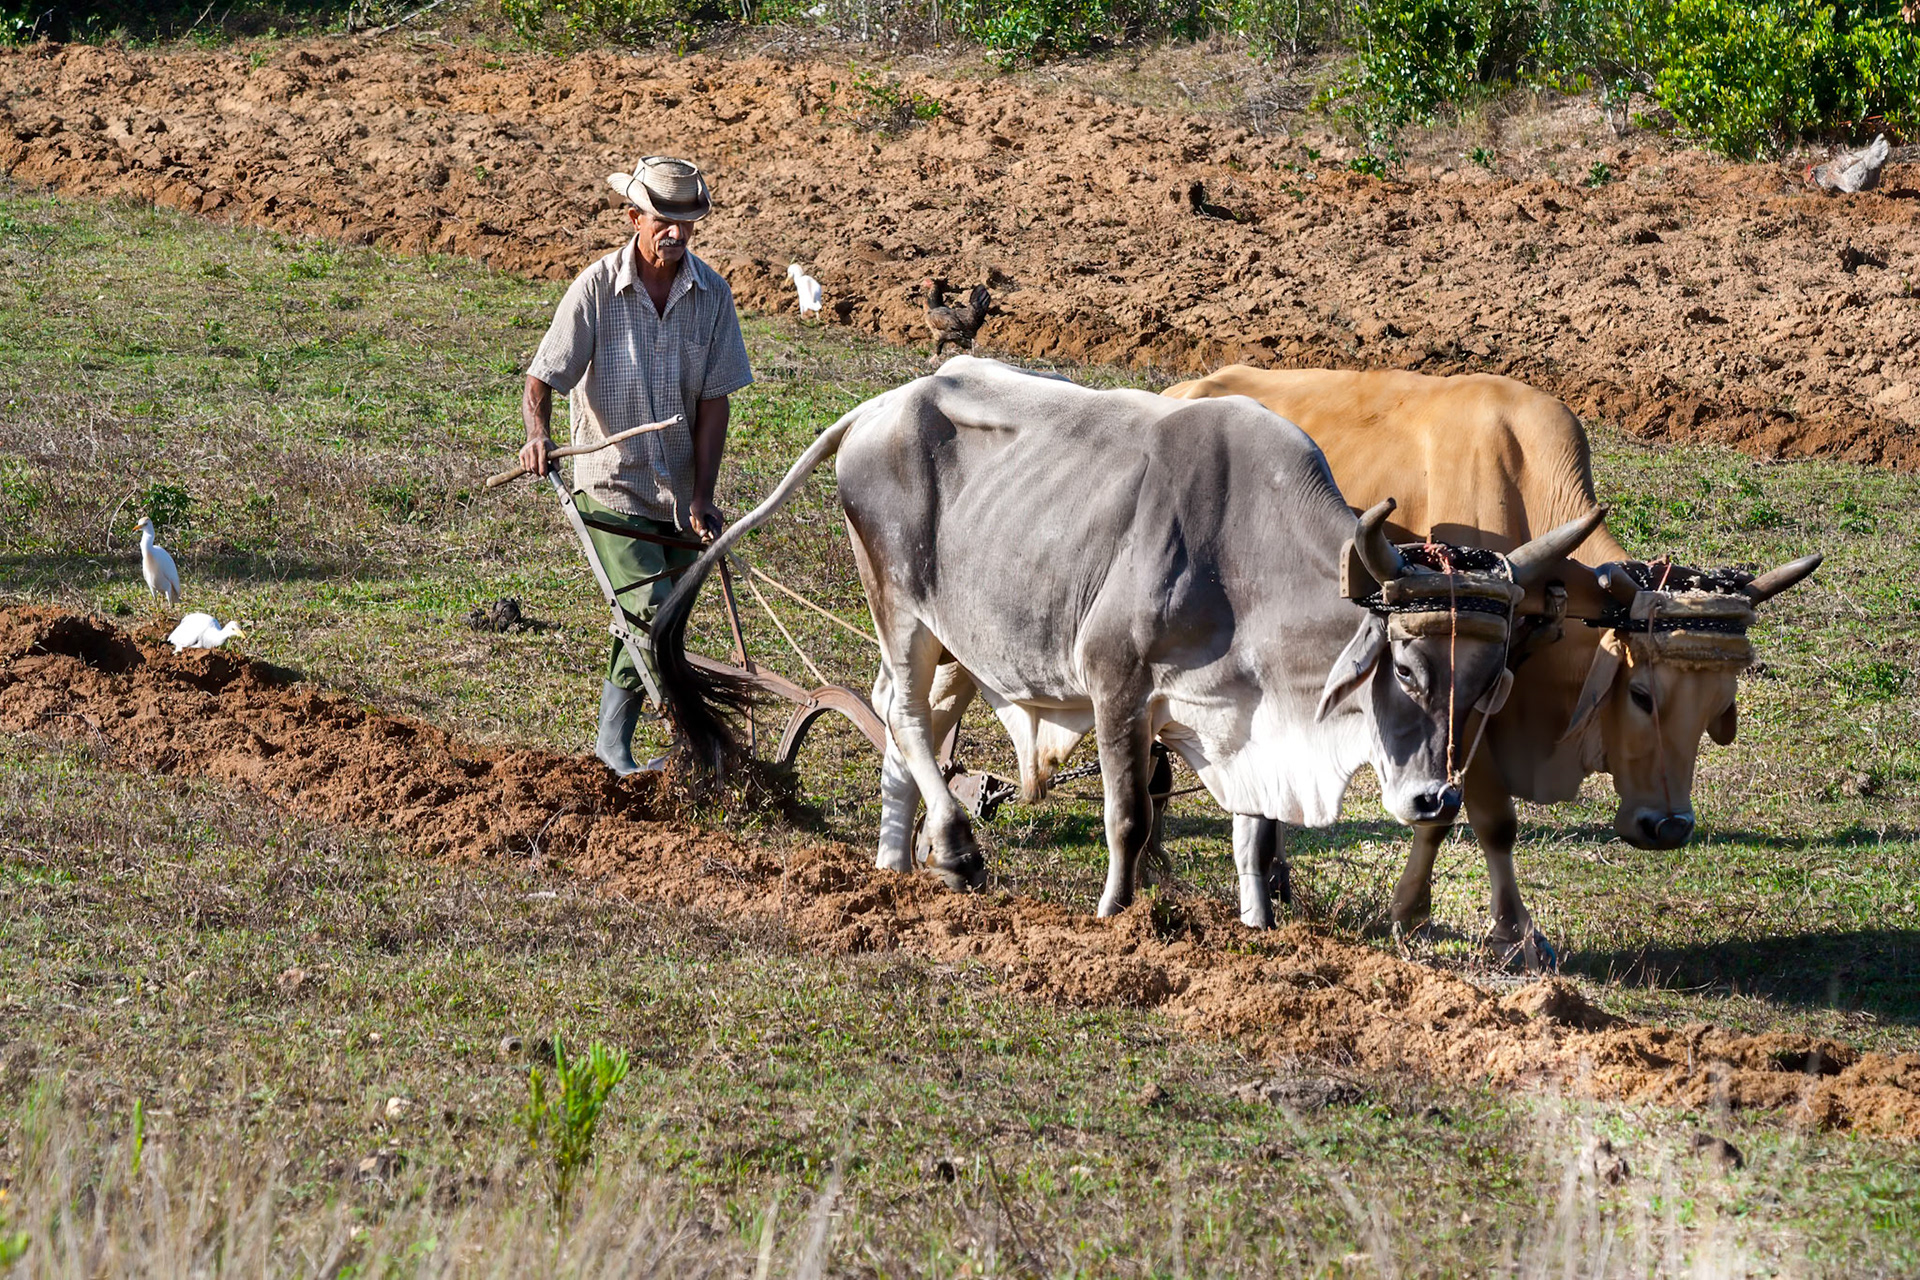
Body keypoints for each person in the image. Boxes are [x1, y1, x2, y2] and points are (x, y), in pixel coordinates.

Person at [519, 155, 753, 775]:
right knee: (653, 613)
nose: (675, 234)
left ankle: (609, 745)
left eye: (686, 222)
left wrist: (702, 494)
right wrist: (538, 437)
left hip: (677, 492)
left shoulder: (711, 294)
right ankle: (697, 751)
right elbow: (541, 378)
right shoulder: (596, 288)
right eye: (662, 221)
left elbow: (714, 403)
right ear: (633, 218)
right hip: (612, 486)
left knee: (652, 620)